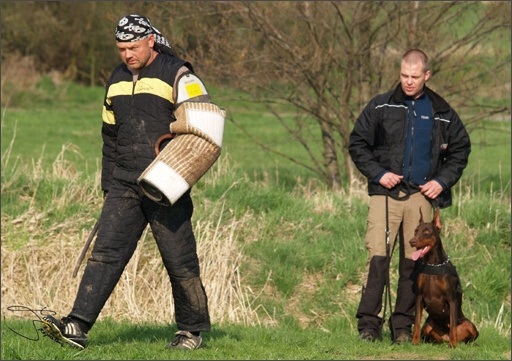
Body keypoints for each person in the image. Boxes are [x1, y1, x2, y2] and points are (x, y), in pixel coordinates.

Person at [41, 14, 217, 350]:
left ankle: (191, 332)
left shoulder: (179, 74)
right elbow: (109, 135)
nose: (127, 55)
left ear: (150, 41)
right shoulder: (117, 79)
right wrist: (108, 185)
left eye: (133, 47)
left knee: (179, 259)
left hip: (166, 184)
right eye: (121, 49)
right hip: (123, 182)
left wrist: (179, 174)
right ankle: (77, 326)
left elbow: (205, 130)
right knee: (105, 255)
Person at [348, 49, 471, 344]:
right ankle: (369, 326)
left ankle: (402, 327)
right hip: (385, 195)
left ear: (426, 75)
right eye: (404, 75)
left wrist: (441, 182)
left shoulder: (442, 112)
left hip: (421, 196)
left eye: (415, 77)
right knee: (377, 258)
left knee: (412, 263)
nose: (408, 81)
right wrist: (378, 173)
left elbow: (461, 150)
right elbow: (357, 143)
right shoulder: (380, 106)